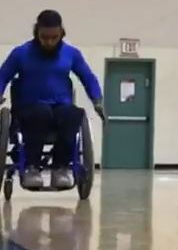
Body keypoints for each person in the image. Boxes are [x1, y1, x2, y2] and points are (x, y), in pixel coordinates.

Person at [0, 10, 105, 189]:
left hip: (60, 106)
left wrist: (97, 100)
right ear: (37, 33)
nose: (49, 42)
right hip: (29, 106)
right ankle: (31, 167)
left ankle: (61, 168)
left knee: (74, 114)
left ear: (61, 33)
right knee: (41, 112)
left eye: (54, 37)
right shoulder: (21, 53)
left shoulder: (71, 54)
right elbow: (3, 76)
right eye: (44, 37)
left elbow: (87, 76)